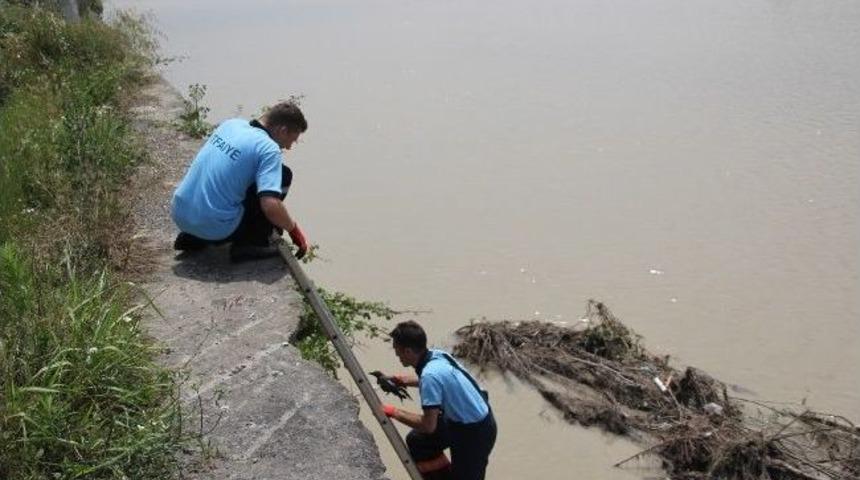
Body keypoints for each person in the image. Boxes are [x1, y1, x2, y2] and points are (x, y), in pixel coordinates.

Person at [171, 100, 309, 262]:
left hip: (180, 215)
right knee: (284, 174)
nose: (288, 147)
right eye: (291, 140)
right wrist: (293, 229)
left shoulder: (231, 125)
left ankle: (196, 237)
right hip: (217, 228)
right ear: (282, 130)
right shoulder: (268, 148)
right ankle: (250, 243)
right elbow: (270, 205)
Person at [380, 321, 497, 480]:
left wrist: (393, 412)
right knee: (419, 442)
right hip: (463, 417)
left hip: (475, 432)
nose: (396, 355)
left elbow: (428, 426)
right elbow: (439, 381)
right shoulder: (437, 355)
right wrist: (403, 381)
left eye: (397, 350)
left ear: (407, 351)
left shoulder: (429, 375)